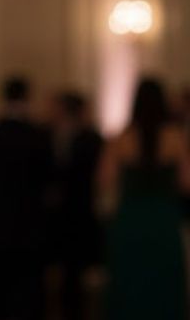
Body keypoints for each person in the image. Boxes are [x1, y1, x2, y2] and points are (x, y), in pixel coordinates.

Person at [98, 76, 190, 320]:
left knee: (130, 282)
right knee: (163, 284)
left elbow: (104, 180)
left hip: (130, 218)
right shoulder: (175, 137)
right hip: (163, 218)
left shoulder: (120, 138)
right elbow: (186, 182)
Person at [0, 76, 53, 320]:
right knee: (30, 289)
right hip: (31, 223)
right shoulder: (39, 135)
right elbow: (49, 178)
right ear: (27, 97)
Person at [45, 91, 102, 320]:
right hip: (61, 214)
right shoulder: (50, 135)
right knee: (65, 269)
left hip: (79, 211)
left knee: (76, 268)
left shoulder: (90, 138)